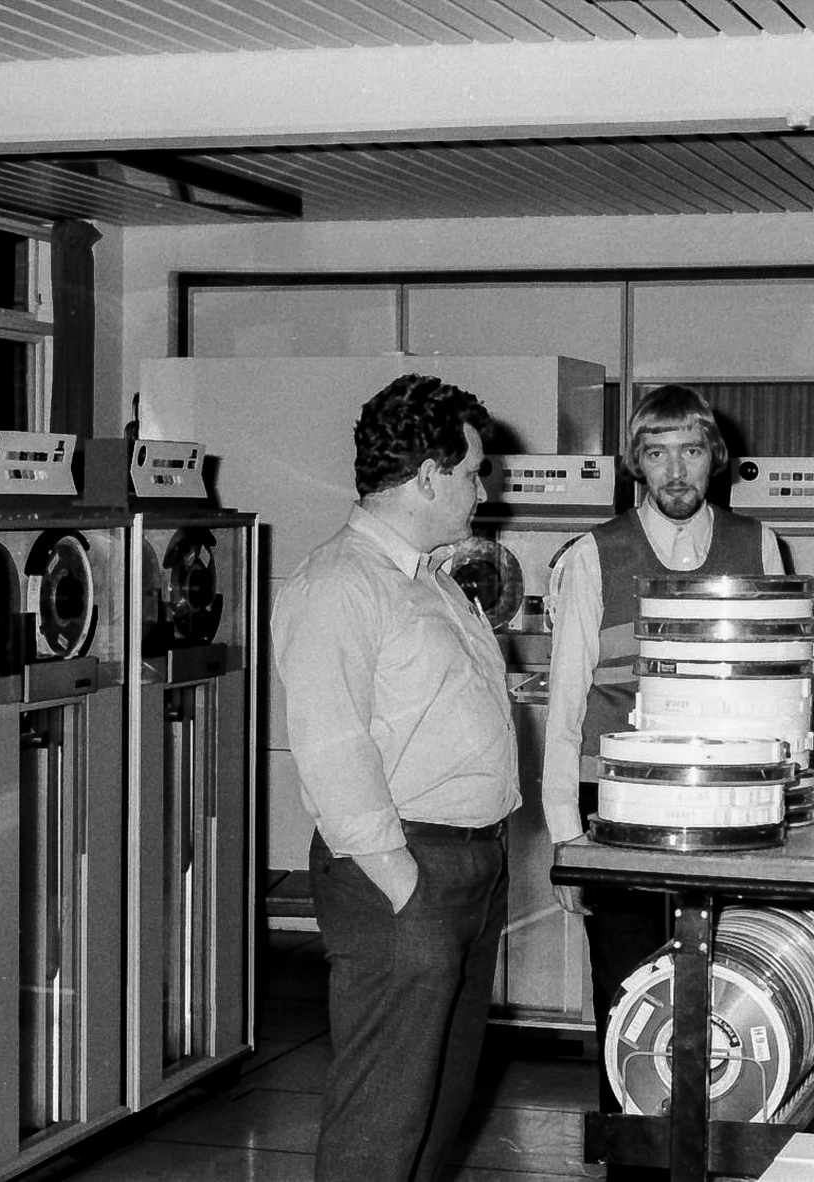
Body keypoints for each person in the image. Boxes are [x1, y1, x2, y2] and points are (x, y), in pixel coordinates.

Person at [540, 383, 814, 1116]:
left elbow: (777, 664)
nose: (675, 471)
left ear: (714, 458)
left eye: (690, 451)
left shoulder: (759, 543)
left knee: (734, 989)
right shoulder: (594, 556)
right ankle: (635, 1156)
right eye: (657, 454)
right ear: (637, 463)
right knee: (629, 994)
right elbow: (565, 707)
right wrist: (564, 836)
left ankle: (719, 1144)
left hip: (735, 803)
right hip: (619, 807)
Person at [272, 373, 519, 1182]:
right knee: (383, 1118)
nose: (483, 491)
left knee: (439, 1107)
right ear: (427, 478)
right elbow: (331, 747)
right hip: (405, 871)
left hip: (469, 864)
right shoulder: (339, 582)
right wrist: (403, 884)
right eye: (473, 473)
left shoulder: (430, 577)